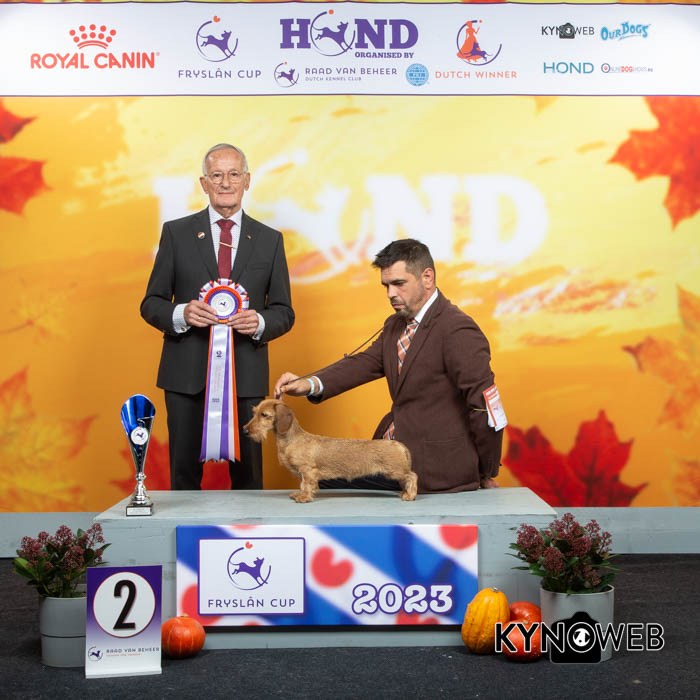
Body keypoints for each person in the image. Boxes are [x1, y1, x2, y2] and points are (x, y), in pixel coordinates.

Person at [274, 239, 503, 494]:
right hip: (388, 453)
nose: (390, 294)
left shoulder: (458, 329)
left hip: (432, 469)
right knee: (318, 475)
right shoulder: (395, 325)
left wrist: (486, 471)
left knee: (320, 477)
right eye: (386, 285)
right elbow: (363, 363)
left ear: (427, 278)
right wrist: (308, 383)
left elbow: (485, 407)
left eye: (399, 283)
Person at [141, 143, 294, 490]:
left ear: (247, 180)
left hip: (247, 382)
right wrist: (181, 313)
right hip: (184, 380)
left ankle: (249, 530)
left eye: (234, 174)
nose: (226, 183)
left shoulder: (270, 240)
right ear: (204, 183)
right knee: (183, 480)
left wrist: (261, 323)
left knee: (249, 481)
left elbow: (284, 311)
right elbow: (151, 303)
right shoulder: (176, 233)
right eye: (217, 175)